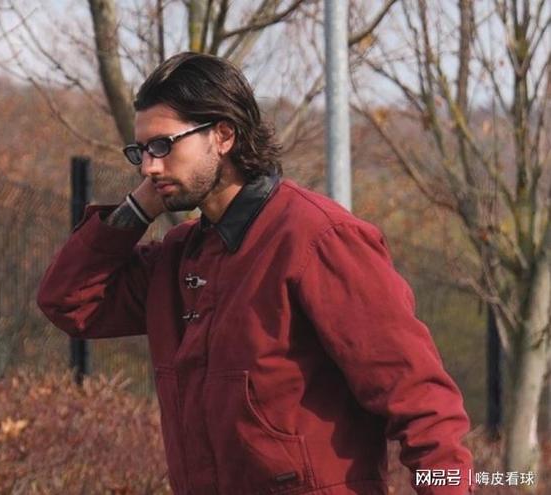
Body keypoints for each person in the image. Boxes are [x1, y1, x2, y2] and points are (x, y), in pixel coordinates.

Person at [37, 52, 474, 495]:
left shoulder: (318, 239)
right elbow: (69, 301)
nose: (149, 166)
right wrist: (140, 205)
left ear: (223, 135)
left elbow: (420, 400)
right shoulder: (177, 258)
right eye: (142, 151)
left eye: (164, 145)